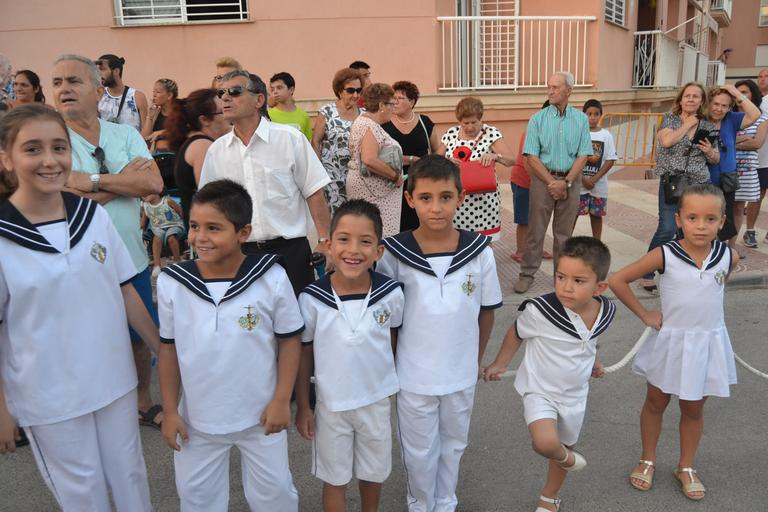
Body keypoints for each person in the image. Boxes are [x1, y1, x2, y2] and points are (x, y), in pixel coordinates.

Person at [0, 104, 159, 511]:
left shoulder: (92, 216)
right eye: (32, 149)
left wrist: (164, 349)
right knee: (82, 493)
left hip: (113, 379)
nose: (50, 160)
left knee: (130, 478)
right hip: (48, 396)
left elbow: (125, 289)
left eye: (59, 147)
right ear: (6, 157)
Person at [158, 179, 303, 512]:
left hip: (261, 416)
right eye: (194, 226)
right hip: (197, 420)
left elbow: (290, 340)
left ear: (243, 232)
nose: (200, 237)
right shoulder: (173, 283)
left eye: (214, 228)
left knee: (275, 496)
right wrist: (169, 410)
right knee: (197, 499)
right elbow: (168, 349)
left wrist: (282, 399)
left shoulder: (271, 277)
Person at [376, 155, 503, 512]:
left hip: (460, 373)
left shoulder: (479, 252)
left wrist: (473, 361)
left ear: (461, 197)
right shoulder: (395, 255)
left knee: (454, 443)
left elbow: (486, 311)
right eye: (426, 198)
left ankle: (445, 502)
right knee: (418, 449)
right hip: (414, 375)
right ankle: (420, 503)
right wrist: (394, 366)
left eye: (446, 197)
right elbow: (390, 322)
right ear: (409, 198)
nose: (436, 208)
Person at [52, 54, 166, 430]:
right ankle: (94, 404)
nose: (64, 89)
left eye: (73, 81)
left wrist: (94, 182)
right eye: (57, 83)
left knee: (137, 337)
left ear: (98, 91)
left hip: (130, 257)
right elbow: (64, 205)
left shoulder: (125, 134)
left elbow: (153, 184)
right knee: (88, 337)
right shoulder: (52, 143)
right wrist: (122, 180)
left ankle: (142, 401)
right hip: (76, 261)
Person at [609, 184, 738, 501]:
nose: (701, 226)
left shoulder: (727, 256)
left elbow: (719, 284)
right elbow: (617, 280)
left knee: (693, 408)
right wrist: (645, 314)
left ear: (722, 221)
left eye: (710, 219)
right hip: (671, 342)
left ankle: (686, 465)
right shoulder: (665, 254)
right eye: (692, 217)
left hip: (707, 343)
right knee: (656, 402)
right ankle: (648, 458)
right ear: (679, 219)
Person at [484, 236, 616, 512]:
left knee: (561, 443)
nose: (566, 287)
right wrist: (500, 362)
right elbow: (516, 333)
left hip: (575, 394)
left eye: (579, 281)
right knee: (546, 443)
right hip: (540, 390)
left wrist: (596, 362)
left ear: (599, 287)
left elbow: (590, 340)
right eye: (560, 277)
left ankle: (549, 496)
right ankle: (565, 457)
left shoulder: (605, 311)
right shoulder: (541, 311)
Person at [295, 199, 403, 512]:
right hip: (331, 406)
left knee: (373, 473)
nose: (353, 250)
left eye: (365, 241)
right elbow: (303, 354)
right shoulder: (312, 299)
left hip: (376, 401)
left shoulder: (391, 294)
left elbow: (393, 339)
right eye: (343, 239)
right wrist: (304, 405)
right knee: (335, 478)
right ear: (329, 245)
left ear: (379, 251)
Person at [199, 69, 331, 295]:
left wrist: (325, 241)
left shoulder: (290, 139)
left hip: (290, 253)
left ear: (259, 100)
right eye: (221, 93)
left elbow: (314, 192)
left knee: (298, 323)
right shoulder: (216, 151)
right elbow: (209, 207)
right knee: (248, 325)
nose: (226, 98)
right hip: (240, 254)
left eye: (235, 91)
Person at [514, 72, 593, 294]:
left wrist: (566, 182)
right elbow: (530, 155)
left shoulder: (581, 120)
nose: (550, 91)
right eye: (549, 87)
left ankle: (562, 277)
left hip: (571, 179)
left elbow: (583, 154)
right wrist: (552, 182)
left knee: (564, 234)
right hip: (543, 180)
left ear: (569, 90)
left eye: (555, 87)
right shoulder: (537, 119)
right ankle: (527, 274)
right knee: (536, 231)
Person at [638, 82, 718, 293]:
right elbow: (666, 142)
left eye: (696, 96)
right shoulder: (669, 119)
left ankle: (683, 272)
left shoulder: (708, 125)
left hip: (699, 183)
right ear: (681, 99)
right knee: (667, 228)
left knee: (690, 231)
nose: (691, 99)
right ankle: (646, 272)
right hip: (673, 183)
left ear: (702, 101)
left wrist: (710, 151)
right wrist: (687, 124)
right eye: (687, 96)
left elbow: (716, 158)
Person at [437, 97, 514, 239]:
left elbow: (512, 159)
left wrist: (495, 156)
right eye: (465, 123)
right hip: (456, 200)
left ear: (481, 119)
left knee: (484, 243)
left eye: (474, 122)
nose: (470, 127)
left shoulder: (490, 133)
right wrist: (446, 161)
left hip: (483, 201)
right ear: (459, 121)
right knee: (457, 241)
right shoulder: (451, 134)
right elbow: (434, 161)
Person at [346, 83, 404, 238]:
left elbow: (380, 155)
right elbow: (369, 159)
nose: (393, 109)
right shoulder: (368, 125)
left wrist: (409, 160)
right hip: (373, 194)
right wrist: (395, 176)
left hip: (373, 191)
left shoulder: (365, 122)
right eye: (391, 104)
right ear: (381, 105)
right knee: (375, 236)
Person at [165, 88, 230, 225]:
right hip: (208, 232)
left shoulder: (196, 142)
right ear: (205, 120)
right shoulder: (202, 146)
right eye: (222, 111)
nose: (228, 115)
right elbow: (211, 196)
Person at [706, 84, 760, 246]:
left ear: (729, 108)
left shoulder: (731, 119)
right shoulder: (701, 120)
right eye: (715, 104)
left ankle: (722, 255)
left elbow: (755, 114)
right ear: (708, 104)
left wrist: (735, 93)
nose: (719, 109)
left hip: (727, 180)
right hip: (705, 182)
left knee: (725, 222)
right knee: (707, 222)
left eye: (724, 106)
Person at [382, 80, 438, 231]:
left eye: (400, 98)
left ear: (412, 101)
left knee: (420, 219)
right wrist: (410, 159)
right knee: (396, 223)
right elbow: (379, 154)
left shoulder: (424, 122)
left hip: (421, 179)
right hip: (392, 180)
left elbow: (437, 150)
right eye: (393, 98)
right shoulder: (384, 123)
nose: (394, 102)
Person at [312, 68, 363, 214]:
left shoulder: (364, 114)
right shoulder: (327, 112)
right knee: (334, 219)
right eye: (350, 90)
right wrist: (317, 172)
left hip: (356, 178)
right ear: (340, 91)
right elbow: (315, 142)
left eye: (358, 91)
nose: (355, 95)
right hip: (331, 178)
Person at [732, 80, 768, 250]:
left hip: (747, 173)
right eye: (738, 92)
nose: (741, 96)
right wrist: (746, 139)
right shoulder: (728, 115)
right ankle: (716, 246)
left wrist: (732, 141)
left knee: (739, 209)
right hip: (727, 168)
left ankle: (730, 247)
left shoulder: (762, 117)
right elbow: (719, 141)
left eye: (745, 92)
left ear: (752, 94)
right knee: (721, 209)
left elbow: (757, 143)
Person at [577, 99, 617, 240]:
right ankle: (565, 240)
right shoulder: (579, 134)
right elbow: (572, 158)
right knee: (573, 214)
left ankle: (597, 242)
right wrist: (582, 178)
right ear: (584, 115)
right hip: (580, 185)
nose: (592, 117)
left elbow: (610, 159)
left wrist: (594, 179)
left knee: (596, 215)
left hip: (598, 186)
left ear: (601, 115)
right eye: (589, 114)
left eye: (596, 114)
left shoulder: (606, 136)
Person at [95, 54, 148, 132]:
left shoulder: (137, 97)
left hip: (132, 143)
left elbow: (145, 130)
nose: (99, 74)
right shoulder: (98, 95)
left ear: (116, 71)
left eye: (102, 69)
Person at [746, 68, 768, 246]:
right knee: (756, 196)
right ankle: (750, 231)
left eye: (766, 76)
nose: (762, 79)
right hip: (759, 158)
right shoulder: (755, 102)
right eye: (760, 76)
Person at [141, 190, 185, 276]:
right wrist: (140, 227)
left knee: (171, 238)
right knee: (156, 239)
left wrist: (187, 223)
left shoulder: (167, 201)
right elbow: (143, 221)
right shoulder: (146, 206)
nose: (143, 194)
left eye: (147, 191)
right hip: (158, 228)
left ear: (157, 191)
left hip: (174, 225)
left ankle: (177, 260)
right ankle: (157, 266)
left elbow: (181, 212)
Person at [268, 72, 312, 140]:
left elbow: (307, 143)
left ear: (291, 90)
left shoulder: (303, 116)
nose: (275, 92)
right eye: (272, 89)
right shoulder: (268, 115)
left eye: (279, 88)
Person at [141, 78, 178, 150]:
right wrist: (150, 116)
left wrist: (162, 132)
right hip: (159, 155)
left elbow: (184, 131)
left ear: (169, 95)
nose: (154, 95)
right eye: (153, 92)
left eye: (158, 92)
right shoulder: (156, 112)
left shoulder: (179, 112)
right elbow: (144, 138)